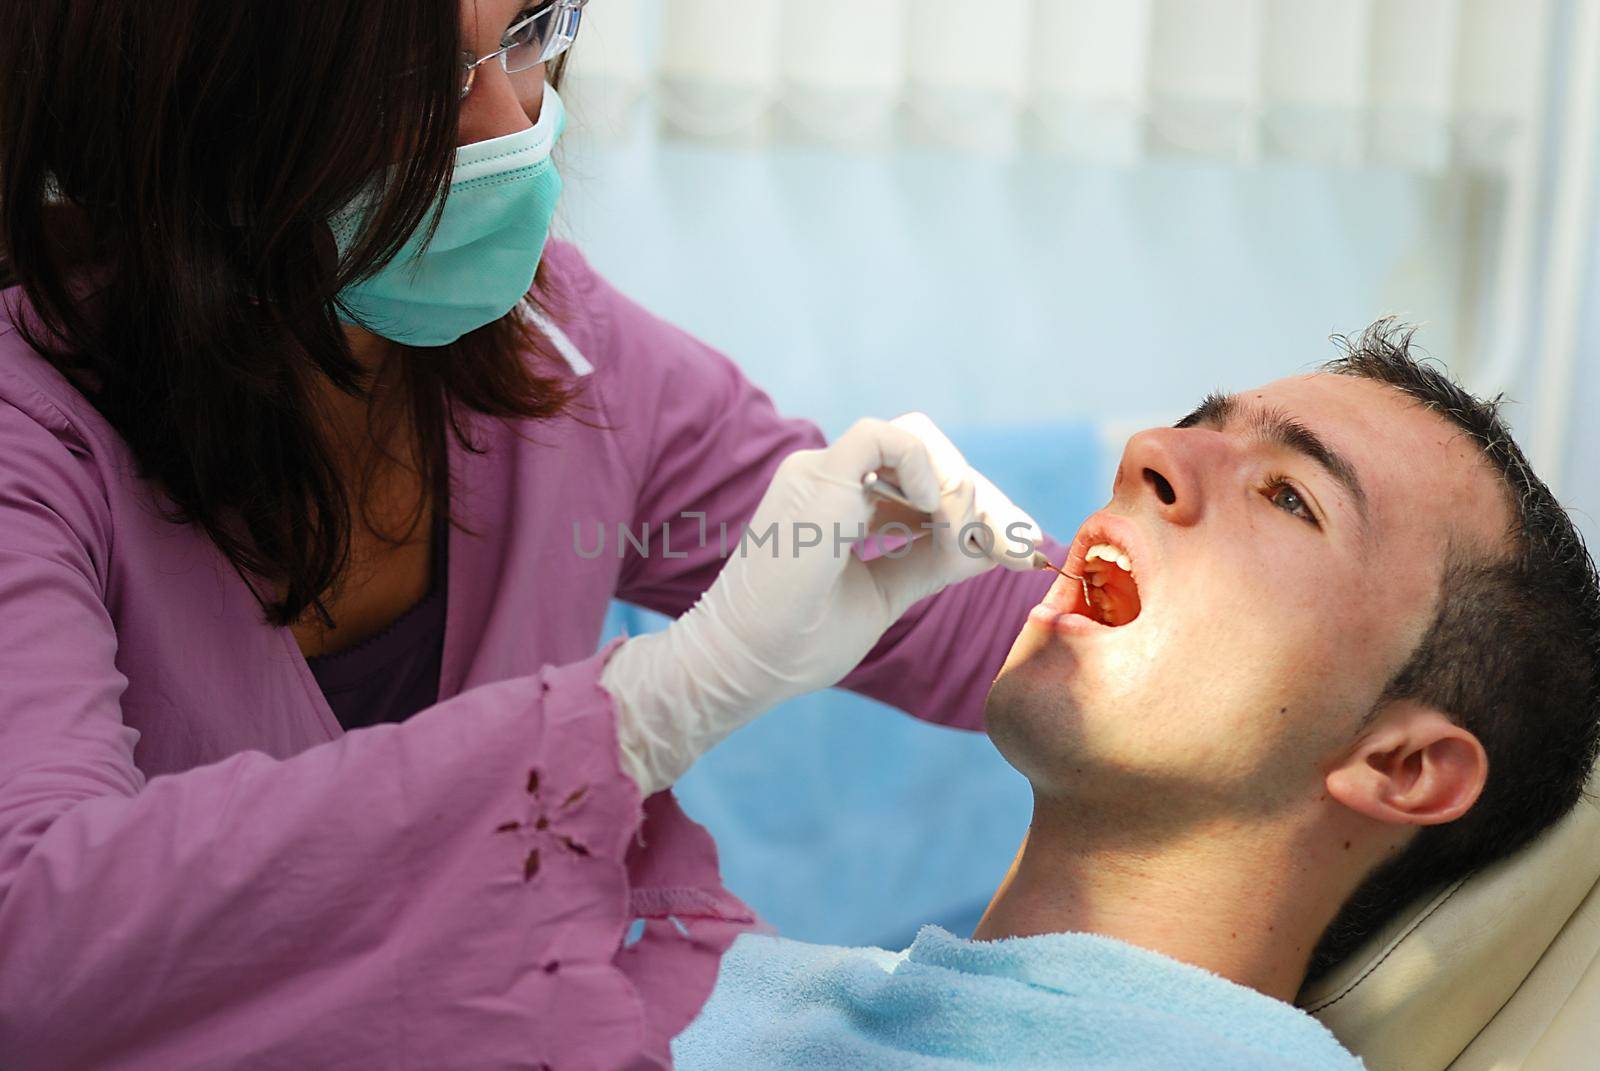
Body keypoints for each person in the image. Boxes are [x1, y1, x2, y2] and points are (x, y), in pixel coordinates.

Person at [0, 3, 1066, 1068]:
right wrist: (638, 717)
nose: (510, 118)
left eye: (528, 32)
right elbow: (33, 949)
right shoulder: (32, 434)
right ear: (194, 107)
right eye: (413, 83)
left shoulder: (563, 352)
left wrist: (1140, 603)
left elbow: (927, 593)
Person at [672, 324, 1600, 1070]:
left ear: (1398, 765)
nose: (1148, 452)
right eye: (1197, 425)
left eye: (1289, 496)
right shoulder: (741, 995)